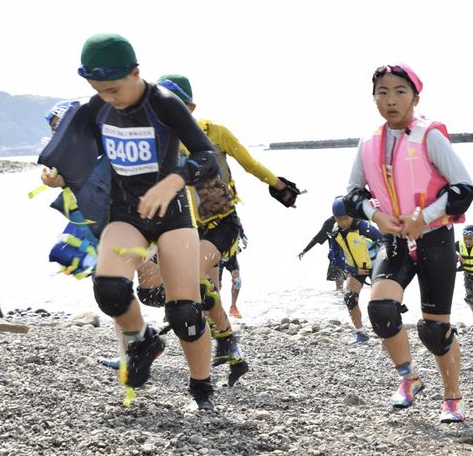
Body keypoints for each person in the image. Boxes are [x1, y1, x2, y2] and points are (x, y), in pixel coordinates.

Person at [41, 34, 220, 409]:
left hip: (172, 215)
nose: (108, 97)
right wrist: (57, 177)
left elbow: (207, 156)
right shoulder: (96, 109)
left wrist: (174, 180)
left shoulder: (164, 104)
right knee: (109, 289)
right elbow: (80, 158)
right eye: (98, 90)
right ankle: (142, 339)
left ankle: (201, 389)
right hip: (126, 214)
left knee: (185, 312)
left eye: (114, 89)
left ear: (136, 72)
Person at [342, 63, 473, 423]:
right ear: (373, 99)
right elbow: (352, 193)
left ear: (415, 97)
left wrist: (425, 217)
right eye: (382, 92)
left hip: (434, 240)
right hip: (394, 240)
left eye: (400, 91)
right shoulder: (368, 142)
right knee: (381, 310)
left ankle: (452, 399)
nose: (391, 100)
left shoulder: (430, 136)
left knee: (434, 330)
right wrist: (376, 214)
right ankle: (409, 379)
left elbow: (464, 188)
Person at [157, 74, 300, 387]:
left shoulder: (214, 132)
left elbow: (248, 162)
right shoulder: (156, 144)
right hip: (185, 229)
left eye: (171, 103)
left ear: (189, 107)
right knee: (203, 298)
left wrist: (280, 188)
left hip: (222, 223)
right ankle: (230, 354)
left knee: (194, 282)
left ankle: (219, 352)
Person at [326, 197, 384, 343]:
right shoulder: (335, 233)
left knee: (382, 304)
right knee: (350, 299)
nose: (343, 222)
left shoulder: (364, 227)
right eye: (339, 219)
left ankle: (388, 334)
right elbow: (335, 257)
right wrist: (352, 269)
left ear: (352, 214)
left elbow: (385, 242)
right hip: (355, 269)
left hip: (376, 266)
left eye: (346, 218)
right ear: (334, 218)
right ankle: (361, 334)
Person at [298, 216, 348, 292]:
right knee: (340, 287)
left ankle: (341, 300)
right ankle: (340, 301)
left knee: (346, 286)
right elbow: (318, 237)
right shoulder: (330, 222)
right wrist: (305, 250)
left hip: (350, 256)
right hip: (336, 256)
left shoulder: (352, 219)